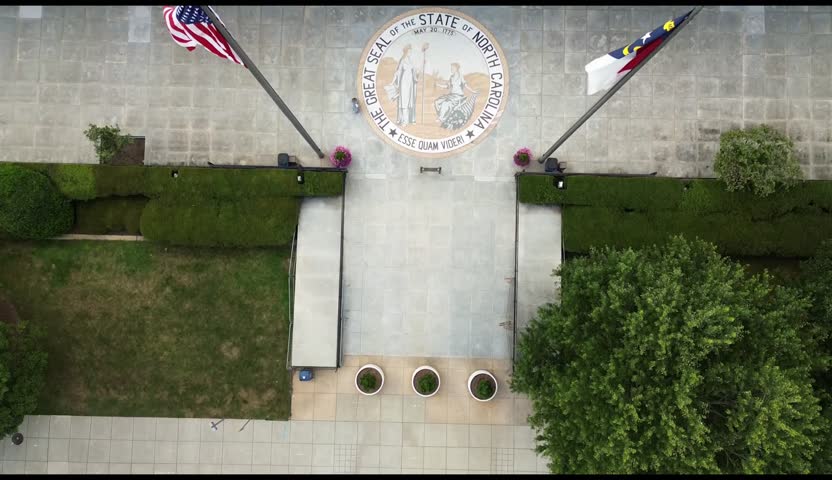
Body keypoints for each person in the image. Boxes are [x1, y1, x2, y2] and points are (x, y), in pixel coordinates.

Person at [433, 63, 478, 130]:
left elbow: (465, 86)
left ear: (456, 69)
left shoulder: (460, 77)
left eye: (452, 68)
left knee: (446, 104)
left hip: (458, 96)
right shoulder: (451, 77)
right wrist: (438, 85)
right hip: (451, 95)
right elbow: (448, 87)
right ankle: (443, 117)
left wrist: (472, 91)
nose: (451, 69)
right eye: (451, 68)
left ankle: (442, 119)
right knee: (437, 102)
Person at [389, 44, 419, 127]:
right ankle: (404, 121)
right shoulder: (403, 60)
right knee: (404, 101)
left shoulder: (411, 61)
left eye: (411, 51)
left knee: (410, 101)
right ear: (406, 52)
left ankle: (410, 119)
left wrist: (417, 74)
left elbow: (414, 73)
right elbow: (398, 72)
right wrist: (392, 82)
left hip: (411, 83)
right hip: (404, 82)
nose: (410, 52)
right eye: (409, 51)